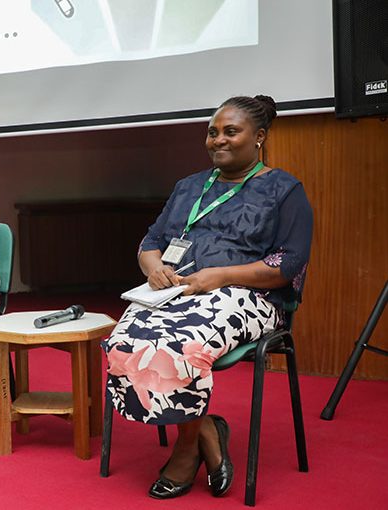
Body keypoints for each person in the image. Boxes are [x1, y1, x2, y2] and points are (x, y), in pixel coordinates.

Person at [103, 95, 312, 499]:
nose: (218, 140)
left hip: (247, 297)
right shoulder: (189, 186)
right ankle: (207, 431)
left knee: (178, 346)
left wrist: (219, 277)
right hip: (174, 291)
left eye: (231, 131)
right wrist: (154, 268)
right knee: (124, 342)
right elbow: (151, 241)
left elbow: (287, 263)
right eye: (213, 132)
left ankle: (186, 449)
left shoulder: (284, 190)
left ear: (259, 137)